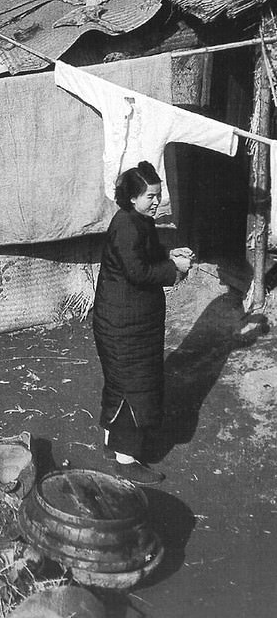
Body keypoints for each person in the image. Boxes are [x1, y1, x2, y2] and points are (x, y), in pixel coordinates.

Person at [92, 161, 193, 484]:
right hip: (123, 324)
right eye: (150, 196)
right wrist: (173, 270)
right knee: (132, 386)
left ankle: (113, 442)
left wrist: (171, 254)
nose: (156, 201)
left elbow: (148, 253)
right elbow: (137, 271)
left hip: (133, 321)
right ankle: (126, 460)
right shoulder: (126, 226)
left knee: (128, 380)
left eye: (158, 195)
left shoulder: (139, 222)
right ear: (132, 198)